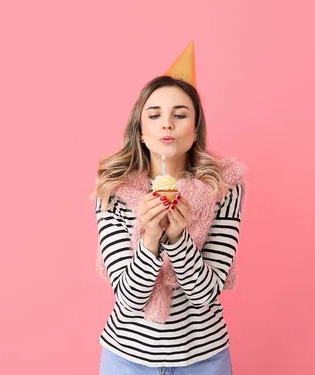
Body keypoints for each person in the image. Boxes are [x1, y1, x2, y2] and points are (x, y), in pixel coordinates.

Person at [93, 42, 246, 374]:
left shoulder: (222, 190)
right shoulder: (114, 191)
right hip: (128, 359)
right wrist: (149, 239)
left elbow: (206, 294)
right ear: (141, 131)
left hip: (204, 358)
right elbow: (129, 299)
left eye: (180, 115)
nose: (167, 124)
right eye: (155, 115)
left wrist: (178, 240)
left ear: (194, 132)